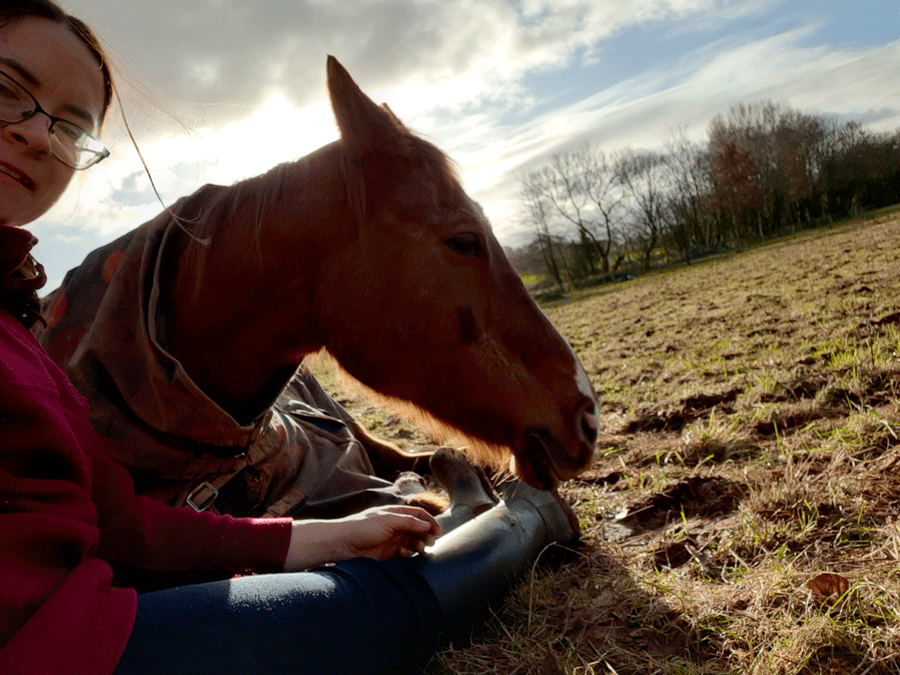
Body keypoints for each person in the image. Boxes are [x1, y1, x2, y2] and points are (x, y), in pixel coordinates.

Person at [0, 2, 580, 674]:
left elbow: (128, 526)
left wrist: (326, 534)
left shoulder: (23, 332)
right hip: (66, 651)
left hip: (84, 628)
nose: (40, 137)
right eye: (9, 91)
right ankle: (531, 518)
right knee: (366, 613)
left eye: (71, 126)